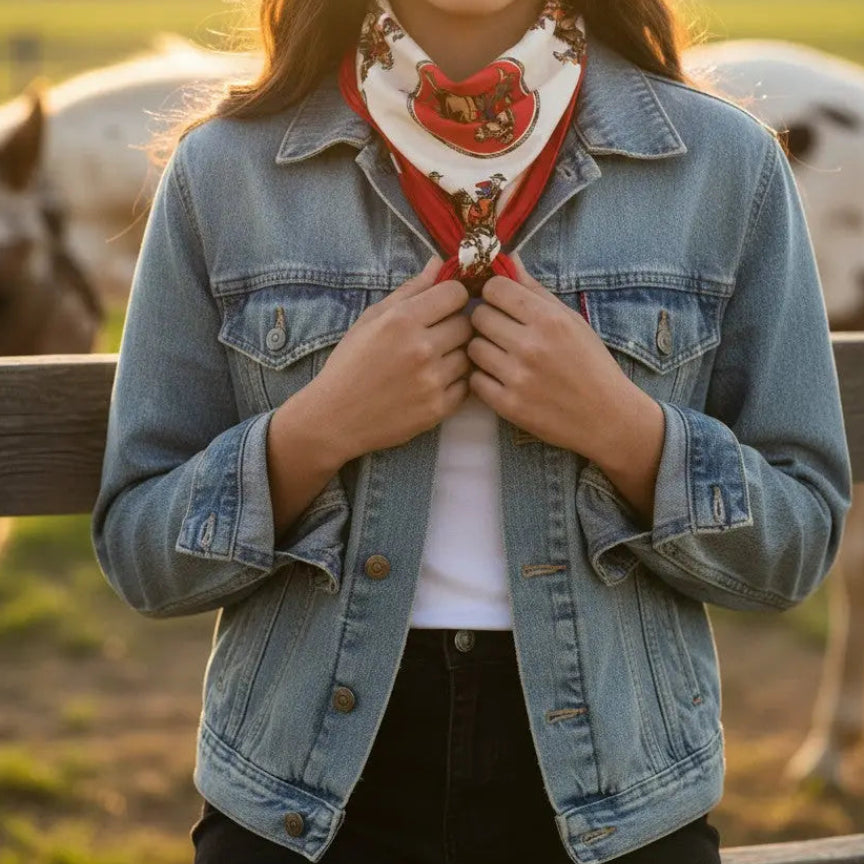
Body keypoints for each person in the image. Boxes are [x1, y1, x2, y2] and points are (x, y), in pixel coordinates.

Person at [91, 0, 852, 862]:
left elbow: (796, 544)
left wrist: (626, 430)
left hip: (622, 797)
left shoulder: (724, 166)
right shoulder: (225, 171)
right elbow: (142, 554)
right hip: (299, 798)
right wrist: (313, 432)